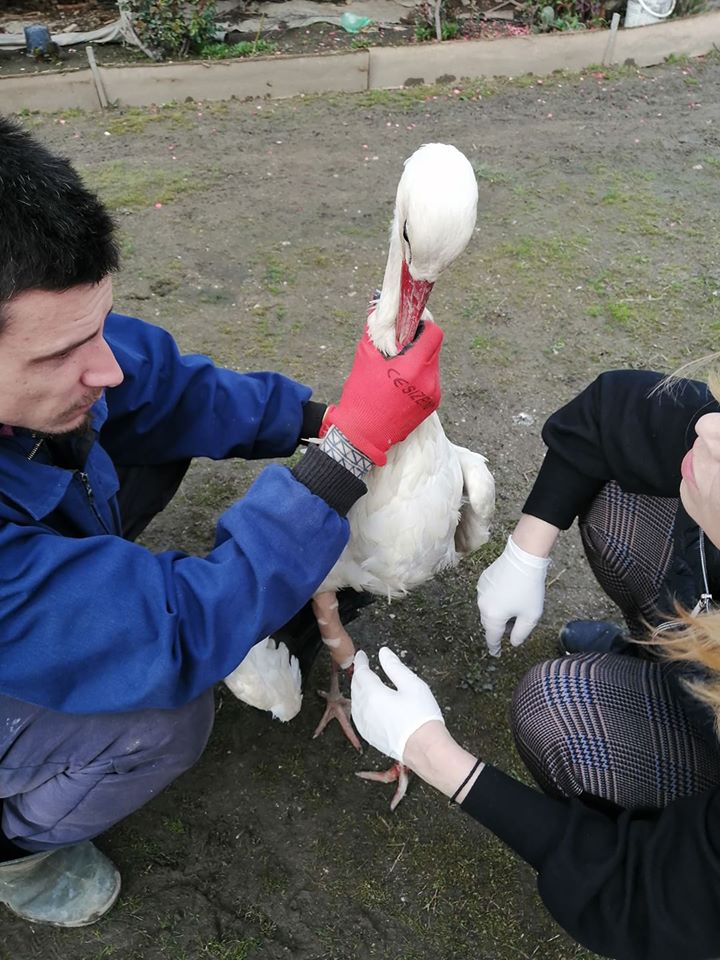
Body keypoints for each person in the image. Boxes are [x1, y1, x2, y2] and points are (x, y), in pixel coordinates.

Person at [0, 116, 444, 927]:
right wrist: (347, 456)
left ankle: (80, 586)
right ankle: (19, 849)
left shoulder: (42, 315)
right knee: (166, 712)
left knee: (144, 428)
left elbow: (165, 390)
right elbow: (179, 630)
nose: (103, 363)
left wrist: (322, 419)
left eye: (98, 325)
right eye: (59, 353)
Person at [352, 368, 720, 960]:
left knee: (557, 709)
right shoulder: (714, 435)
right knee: (629, 497)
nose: (709, 429)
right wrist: (526, 551)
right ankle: (656, 656)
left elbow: (662, 902)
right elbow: (612, 409)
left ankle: (649, 806)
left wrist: (430, 751)